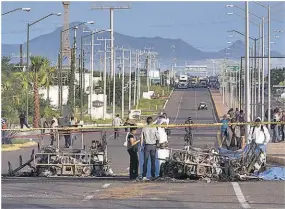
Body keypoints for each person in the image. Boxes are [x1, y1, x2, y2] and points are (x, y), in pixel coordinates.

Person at [140, 117, 159, 181]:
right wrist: (157, 144)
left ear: (147, 121)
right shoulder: (154, 128)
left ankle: (144, 175)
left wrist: (141, 146)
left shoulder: (144, 128)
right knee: (153, 161)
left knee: (145, 161)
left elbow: (141, 138)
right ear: (152, 121)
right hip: (153, 146)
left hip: (147, 146)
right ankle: (153, 175)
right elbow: (158, 137)